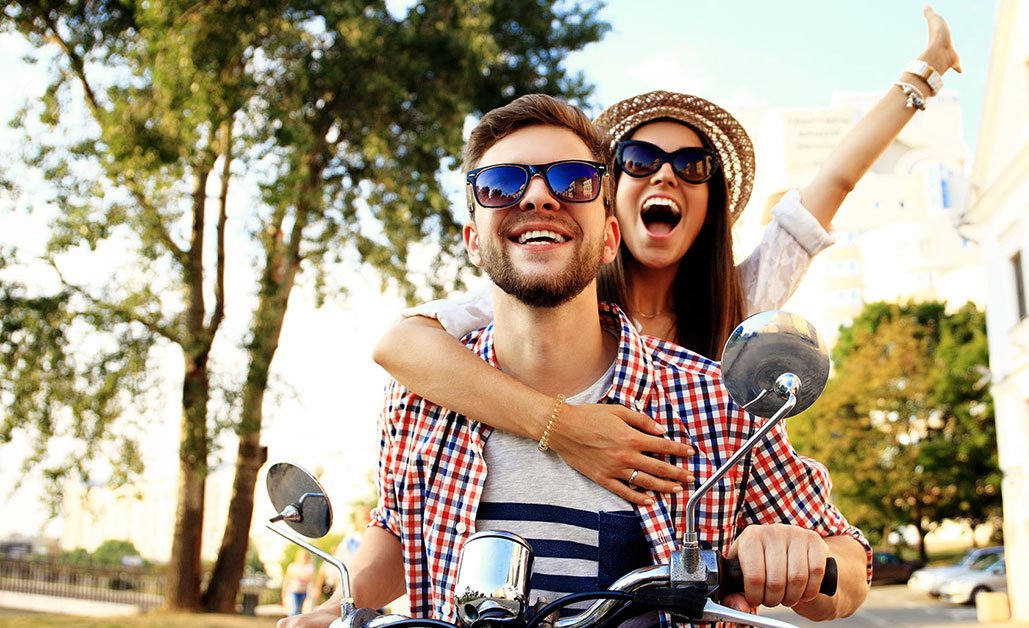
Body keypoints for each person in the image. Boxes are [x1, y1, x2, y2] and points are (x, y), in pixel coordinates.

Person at [280, 94, 869, 628]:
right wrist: (337, 610)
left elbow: (850, 565)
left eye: (572, 179)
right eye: (502, 184)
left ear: (610, 236)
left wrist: (798, 553)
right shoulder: (419, 394)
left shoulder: (717, 397)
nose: (538, 195)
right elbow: (400, 530)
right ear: (473, 240)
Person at [371, 7, 962, 505]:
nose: (666, 175)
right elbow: (400, 345)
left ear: (712, 203)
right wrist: (564, 428)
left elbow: (833, 181)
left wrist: (923, 74)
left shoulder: (743, 302)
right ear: (606, 203)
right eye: (639, 160)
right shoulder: (558, 290)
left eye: (692, 166)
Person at [281, 550, 315, 616]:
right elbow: (287, 580)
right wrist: (283, 592)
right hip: (293, 591)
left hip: (304, 592)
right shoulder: (293, 566)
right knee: (295, 610)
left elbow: (311, 579)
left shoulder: (310, 567)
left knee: (300, 610)